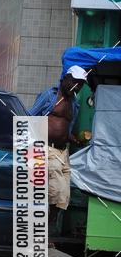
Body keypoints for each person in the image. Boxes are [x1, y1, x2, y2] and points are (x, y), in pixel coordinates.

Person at [29, 64, 87, 233]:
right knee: (52, 193)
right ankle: (39, 233)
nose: (78, 87)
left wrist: (74, 138)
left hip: (63, 152)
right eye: (75, 82)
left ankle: (43, 231)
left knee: (63, 197)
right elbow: (30, 117)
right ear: (66, 79)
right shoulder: (50, 96)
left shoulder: (74, 103)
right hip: (45, 149)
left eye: (81, 85)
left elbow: (65, 129)